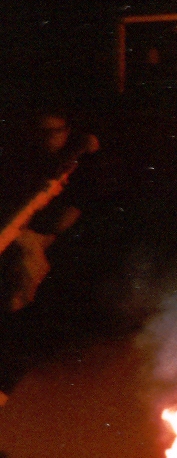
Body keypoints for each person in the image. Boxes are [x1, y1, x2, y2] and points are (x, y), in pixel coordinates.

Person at [0, 108, 99, 407]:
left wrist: (33, 235)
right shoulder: (18, 166)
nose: (48, 139)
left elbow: (65, 218)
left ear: (66, 132)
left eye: (55, 132)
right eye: (42, 132)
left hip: (41, 248)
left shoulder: (76, 171)